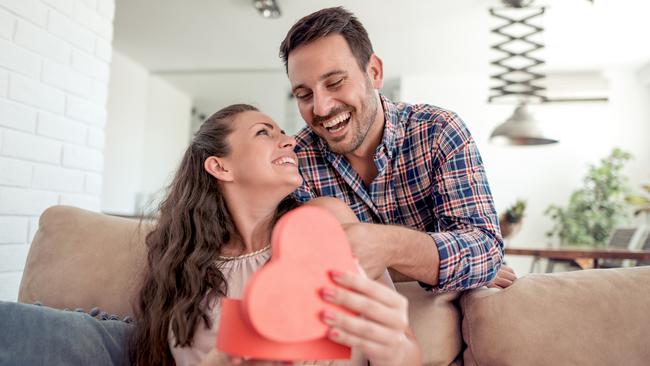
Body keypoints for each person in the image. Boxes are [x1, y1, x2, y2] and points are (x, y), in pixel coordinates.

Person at [129, 104, 421, 366]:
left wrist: (394, 349)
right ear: (220, 166)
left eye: (283, 132)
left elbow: (405, 352)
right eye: (263, 133)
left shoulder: (325, 223)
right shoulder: (183, 267)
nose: (291, 141)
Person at [280, 7, 514, 290]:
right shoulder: (294, 162)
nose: (321, 107)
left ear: (374, 72)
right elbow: (312, 268)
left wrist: (384, 245)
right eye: (304, 95)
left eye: (335, 82)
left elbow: (485, 253)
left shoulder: (438, 130)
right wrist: (438, 265)